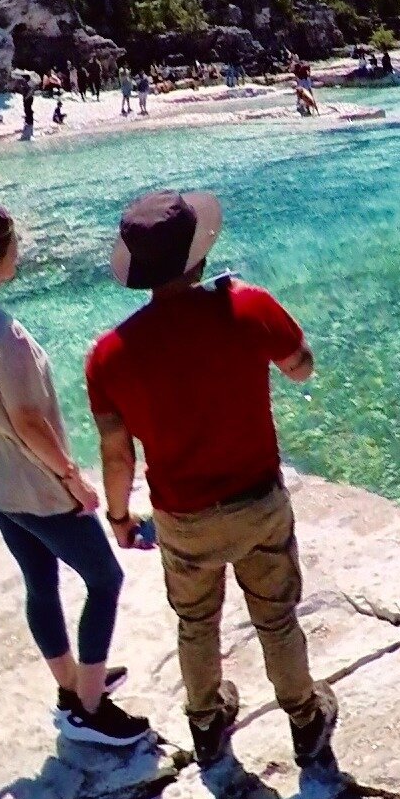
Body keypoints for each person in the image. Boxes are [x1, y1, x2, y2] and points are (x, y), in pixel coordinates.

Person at [85, 192, 338, 769]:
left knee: (196, 623)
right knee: (275, 616)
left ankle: (206, 723)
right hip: (257, 503)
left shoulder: (108, 356)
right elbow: (303, 368)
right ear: (199, 256)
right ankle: (303, 716)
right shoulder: (247, 306)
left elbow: (116, 453)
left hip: (182, 517)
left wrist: (120, 518)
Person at [0, 200, 151, 747]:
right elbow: (29, 421)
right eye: (13, 243)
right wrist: (72, 478)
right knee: (105, 579)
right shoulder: (4, 335)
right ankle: (88, 710)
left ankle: (71, 688)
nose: (21, 250)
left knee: (40, 582)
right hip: (38, 488)